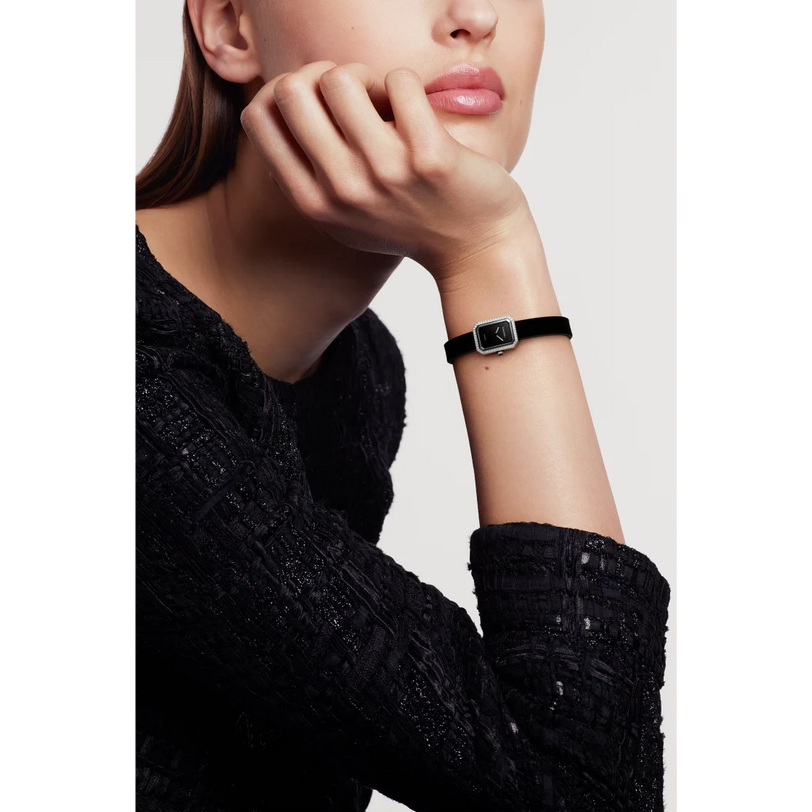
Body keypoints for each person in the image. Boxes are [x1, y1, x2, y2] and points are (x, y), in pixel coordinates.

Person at [133, 1, 671, 810]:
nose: (474, 15)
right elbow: (578, 787)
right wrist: (491, 254)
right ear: (231, 29)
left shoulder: (359, 369)